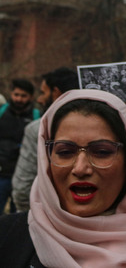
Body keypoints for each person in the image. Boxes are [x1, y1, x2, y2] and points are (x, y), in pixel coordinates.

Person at [0, 90, 126, 267]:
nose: (81, 168)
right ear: (46, 159)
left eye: (101, 152)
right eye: (65, 152)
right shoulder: (8, 239)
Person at [12, 67, 80, 212]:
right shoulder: (100, 128)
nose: (40, 99)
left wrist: (32, 218)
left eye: (43, 93)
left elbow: (22, 188)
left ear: (56, 93)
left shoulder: (36, 130)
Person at [0, 79, 39, 214]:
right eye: (16, 94)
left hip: (24, 176)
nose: (19, 99)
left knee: (17, 216)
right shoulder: (2, 112)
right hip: (2, 174)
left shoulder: (36, 117)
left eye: (23, 96)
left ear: (30, 97)